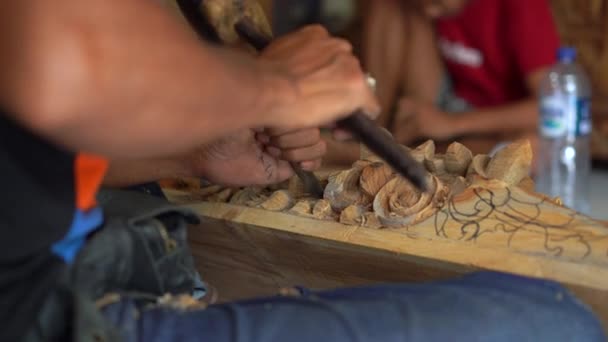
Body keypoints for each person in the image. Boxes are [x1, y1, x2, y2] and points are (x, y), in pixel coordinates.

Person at [0, 1, 603, 341]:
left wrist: (186, 155)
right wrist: (277, 86)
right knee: (555, 325)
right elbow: (61, 72)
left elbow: (33, 149)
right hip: (42, 313)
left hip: (79, 248)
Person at [363, 0, 560, 154]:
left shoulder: (523, 6)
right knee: (387, 4)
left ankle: (407, 153)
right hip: (445, 100)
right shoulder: (426, 8)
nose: (430, 12)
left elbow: (552, 108)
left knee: (533, 148)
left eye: (436, 2)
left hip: (494, 122)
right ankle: (372, 133)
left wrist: (451, 123)